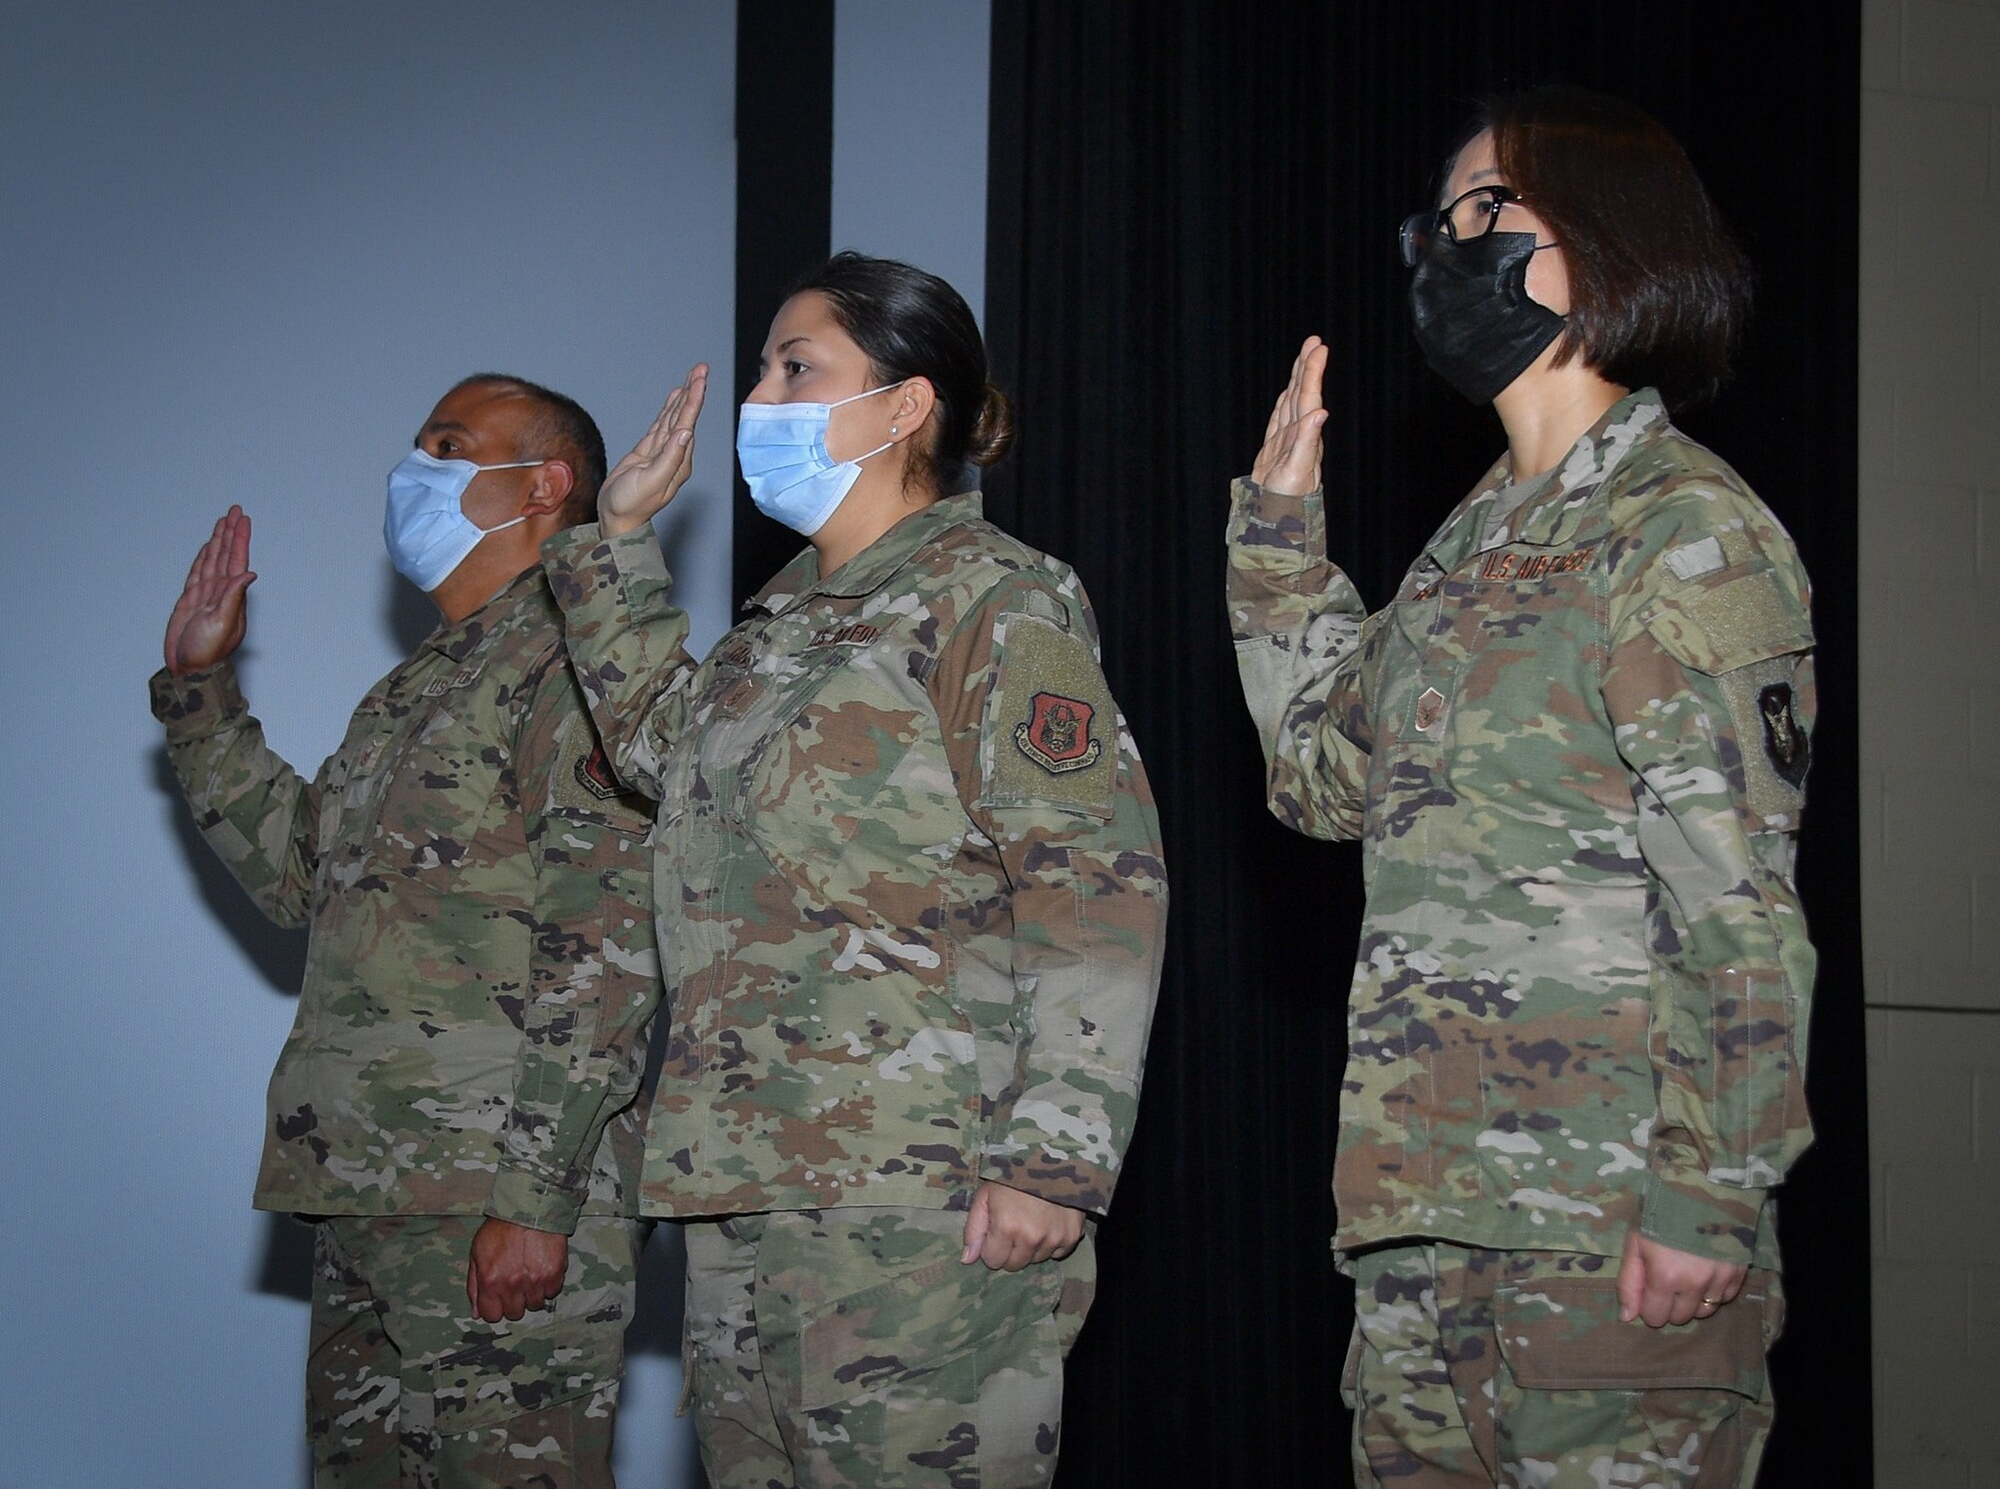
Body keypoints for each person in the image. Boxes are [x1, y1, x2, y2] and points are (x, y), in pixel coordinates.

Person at [1227, 87, 1816, 1487]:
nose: (1444, 242)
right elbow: (1320, 779)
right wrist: (1275, 539)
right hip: (1425, 1232)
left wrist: (1709, 1192)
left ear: (1607, 240)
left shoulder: (1683, 530)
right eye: (1437, 218)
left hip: (1614, 1234)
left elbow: (1736, 903)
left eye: (1487, 207)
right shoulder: (1468, 545)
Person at [539, 252, 1170, 1487]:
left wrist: (1054, 1155)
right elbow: (655, 749)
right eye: (765, 367)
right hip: (743, 1180)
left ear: (902, 404)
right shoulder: (773, 631)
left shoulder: (992, 598)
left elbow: (1093, 879)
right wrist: (616, 539)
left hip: (915, 1191)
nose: (759, 398)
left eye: (796, 366)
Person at [153, 375, 660, 1486]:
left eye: (446, 442)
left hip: (492, 1191)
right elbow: (300, 873)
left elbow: (607, 944)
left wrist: (535, 1201)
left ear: (543, 484)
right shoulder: (415, 687)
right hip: (373, 1189)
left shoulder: (578, 666)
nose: (413, 466)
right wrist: (201, 692)